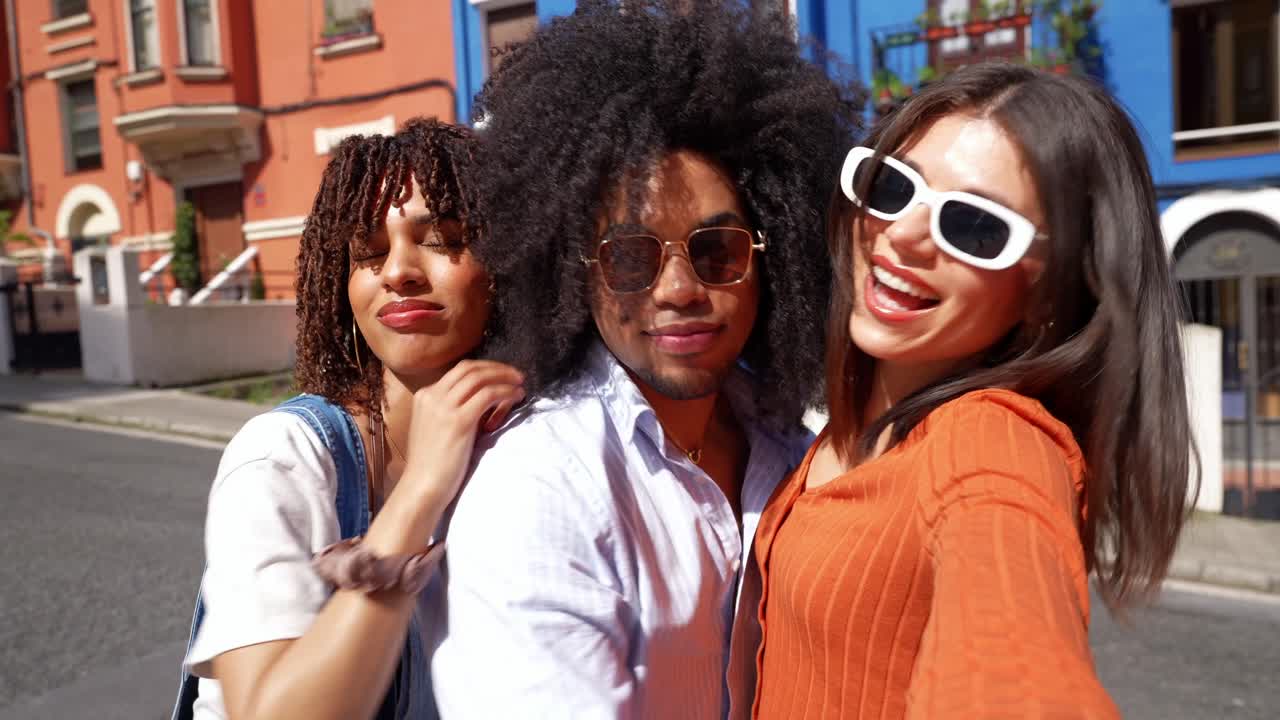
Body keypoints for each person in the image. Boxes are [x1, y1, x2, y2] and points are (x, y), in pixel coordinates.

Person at [420, 1, 861, 718]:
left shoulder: (796, 450)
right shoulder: (542, 489)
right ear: (576, 273)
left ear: (772, 258)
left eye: (717, 251)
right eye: (631, 257)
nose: (681, 290)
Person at [752, 62, 1196, 719]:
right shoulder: (857, 428)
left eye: (975, 228)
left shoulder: (994, 439)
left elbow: (1016, 667)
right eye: (892, 186)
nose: (902, 233)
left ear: (1050, 291)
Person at [173, 118, 524, 720]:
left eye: (441, 238)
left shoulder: (535, 446)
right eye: (369, 252)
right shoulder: (283, 457)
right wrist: (419, 494)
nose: (398, 272)